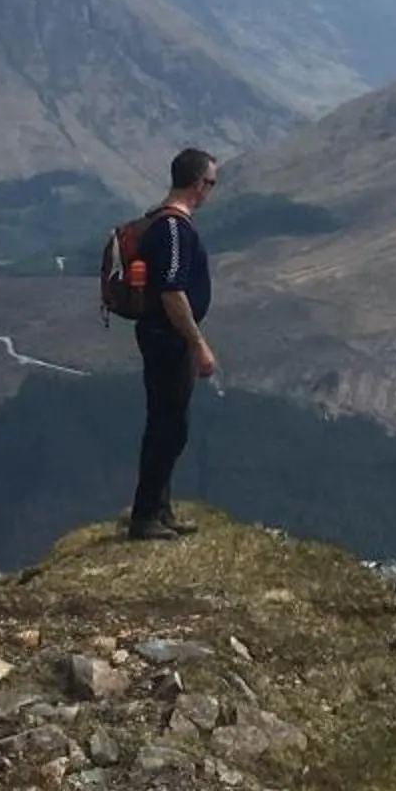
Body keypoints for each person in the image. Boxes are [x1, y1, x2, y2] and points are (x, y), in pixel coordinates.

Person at [127, 146, 218, 541]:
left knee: (168, 424)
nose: (210, 191)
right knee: (167, 427)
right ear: (198, 184)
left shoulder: (160, 222)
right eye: (211, 183)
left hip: (163, 336)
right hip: (169, 340)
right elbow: (172, 291)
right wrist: (197, 343)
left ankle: (159, 510)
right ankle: (146, 515)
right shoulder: (175, 230)